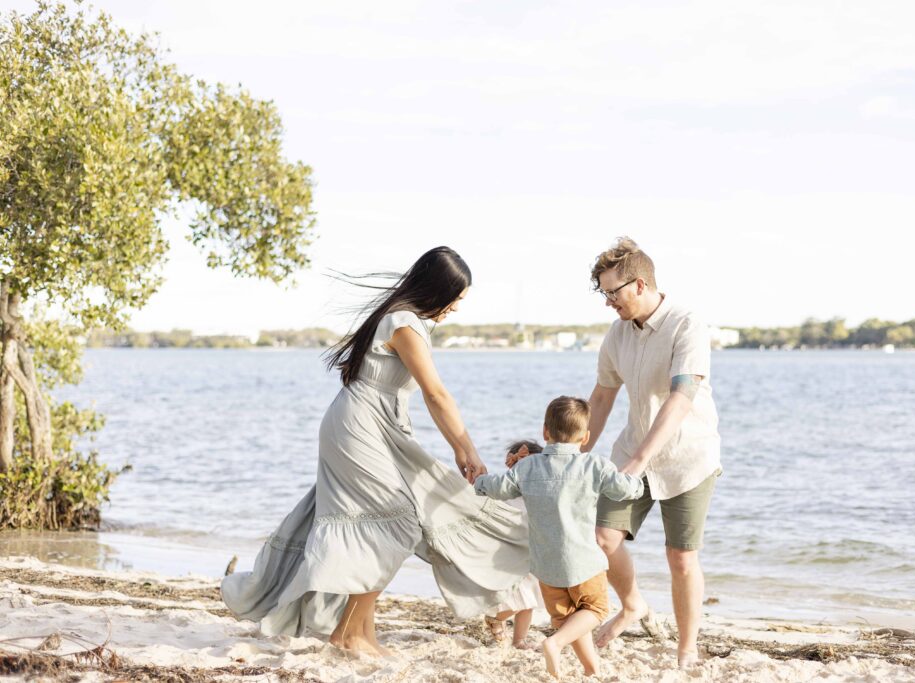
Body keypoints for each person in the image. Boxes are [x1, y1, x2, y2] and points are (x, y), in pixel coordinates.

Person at [221, 246, 531, 657]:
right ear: (436, 289)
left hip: (372, 425)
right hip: (360, 427)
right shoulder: (404, 324)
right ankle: (349, 634)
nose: (457, 307)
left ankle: (359, 632)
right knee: (396, 523)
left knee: (381, 521)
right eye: (456, 297)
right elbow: (436, 394)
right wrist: (466, 450)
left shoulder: (402, 320)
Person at [586, 236, 723, 669]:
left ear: (640, 284)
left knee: (681, 557)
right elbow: (603, 396)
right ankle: (632, 605)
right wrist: (571, 453)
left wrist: (640, 460)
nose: (608, 302)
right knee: (602, 539)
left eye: (614, 292)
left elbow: (681, 397)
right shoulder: (617, 334)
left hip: (687, 456)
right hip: (632, 450)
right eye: (603, 292)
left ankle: (686, 648)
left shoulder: (687, 324)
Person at [474, 396, 644, 679]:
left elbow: (497, 487)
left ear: (545, 432)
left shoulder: (526, 468)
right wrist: (638, 483)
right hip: (584, 562)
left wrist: (478, 480)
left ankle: (591, 669)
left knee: (569, 620)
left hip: (547, 567)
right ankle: (553, 644)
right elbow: (626, 490)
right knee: (596, 609)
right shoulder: (594, 466)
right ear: (586, 436)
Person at [483, 439, 546, 650]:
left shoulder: (542, 493)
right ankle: (495, 617)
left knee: (530, 601)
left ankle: (519, 640)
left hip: (532, 553)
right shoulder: (503, 491)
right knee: (521, 599)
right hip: (508, 553)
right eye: (516, 466)